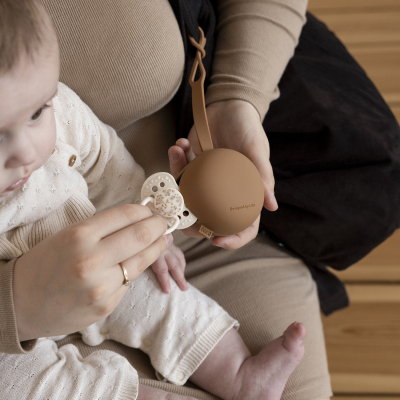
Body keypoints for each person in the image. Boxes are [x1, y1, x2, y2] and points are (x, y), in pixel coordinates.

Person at [0, 1, 310, 399]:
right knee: (31, 387)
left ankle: (239, 374)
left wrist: (146, 229)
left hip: (99, 256)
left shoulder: (61, 113)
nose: (26, 151)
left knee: (163, 293)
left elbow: (105, 163)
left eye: (36, 113)